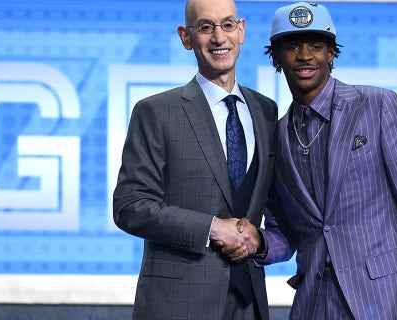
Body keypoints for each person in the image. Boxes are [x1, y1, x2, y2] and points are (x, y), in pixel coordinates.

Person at [251, 2, 397, 319]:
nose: (304, 56)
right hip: (313, 302)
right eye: (292, 46)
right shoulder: (276, 137)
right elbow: (287, 233)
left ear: (331, 53)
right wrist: (257, 241)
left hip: (385, 299)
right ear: (276, 57)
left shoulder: (377, 106)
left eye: (316, 45)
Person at [112, 0, 277, 319]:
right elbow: (130, 205)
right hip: (178, 304)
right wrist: (213, 228)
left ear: (241, 30)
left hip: (249, 303)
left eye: (227, 25)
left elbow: (274, 204)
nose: (219, 37)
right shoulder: (157, 112)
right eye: (205, 27)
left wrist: (259, 238)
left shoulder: (266, 111)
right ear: (186, 37)